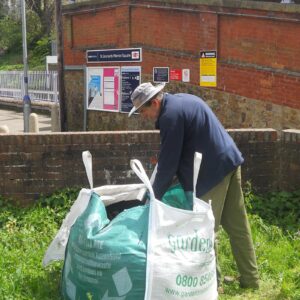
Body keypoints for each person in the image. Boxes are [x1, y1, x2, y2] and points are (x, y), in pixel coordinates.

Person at [128, 82, 259, 289]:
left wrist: (152, 199)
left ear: (154, 102)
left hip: (212, 173)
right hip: (229, 161)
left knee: (205, 230)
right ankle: (250, 279)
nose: (143, 116)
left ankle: (211, 286)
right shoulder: (184, 100)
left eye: (143, 111)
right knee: (238, 226)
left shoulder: (169, 117)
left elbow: (168, 165)